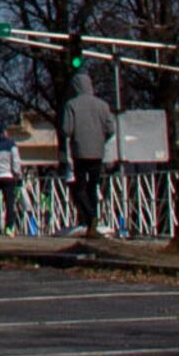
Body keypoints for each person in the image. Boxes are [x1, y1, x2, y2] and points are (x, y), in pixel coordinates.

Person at [62, 67, 117, 236]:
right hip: (98, 151)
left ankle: (90, 217)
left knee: (79, 188)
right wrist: (100, 138)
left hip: (80, 151)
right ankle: (93, 223)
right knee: (93, 186)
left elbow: (66, 129)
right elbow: (111, 128)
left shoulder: (71, 105)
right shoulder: (103, 105)